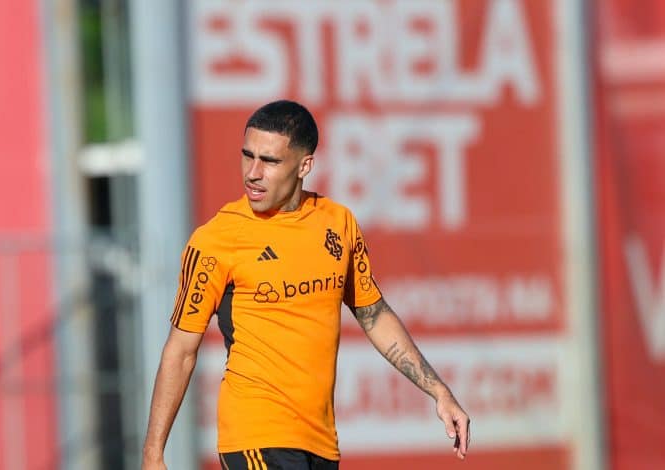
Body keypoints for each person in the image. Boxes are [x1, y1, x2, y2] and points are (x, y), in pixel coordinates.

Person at [141, 100, 470, 470]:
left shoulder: (338, 223)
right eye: (248, 156)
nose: (253, 173)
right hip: (255, 437)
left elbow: (375, 316)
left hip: (321, 444)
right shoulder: (216, 240)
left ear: (304, 166)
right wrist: (153, 454)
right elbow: (181, 350)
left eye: (269, 161)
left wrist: (438, 391)